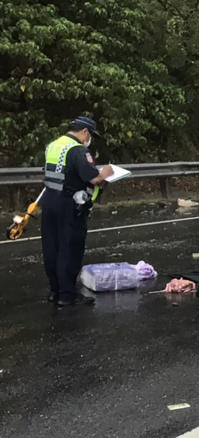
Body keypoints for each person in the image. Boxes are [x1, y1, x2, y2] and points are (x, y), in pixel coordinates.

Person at [41, 116, 113, 307]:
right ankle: (67, 295)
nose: (90, 140)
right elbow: (92, 178)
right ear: (85, 132)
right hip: (68, 203)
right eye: (91, 136)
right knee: (69, 248)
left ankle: (55, 291)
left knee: (52, 247)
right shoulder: (78, 150)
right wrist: (105, 174)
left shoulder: (53, 145)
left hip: (49, 201)